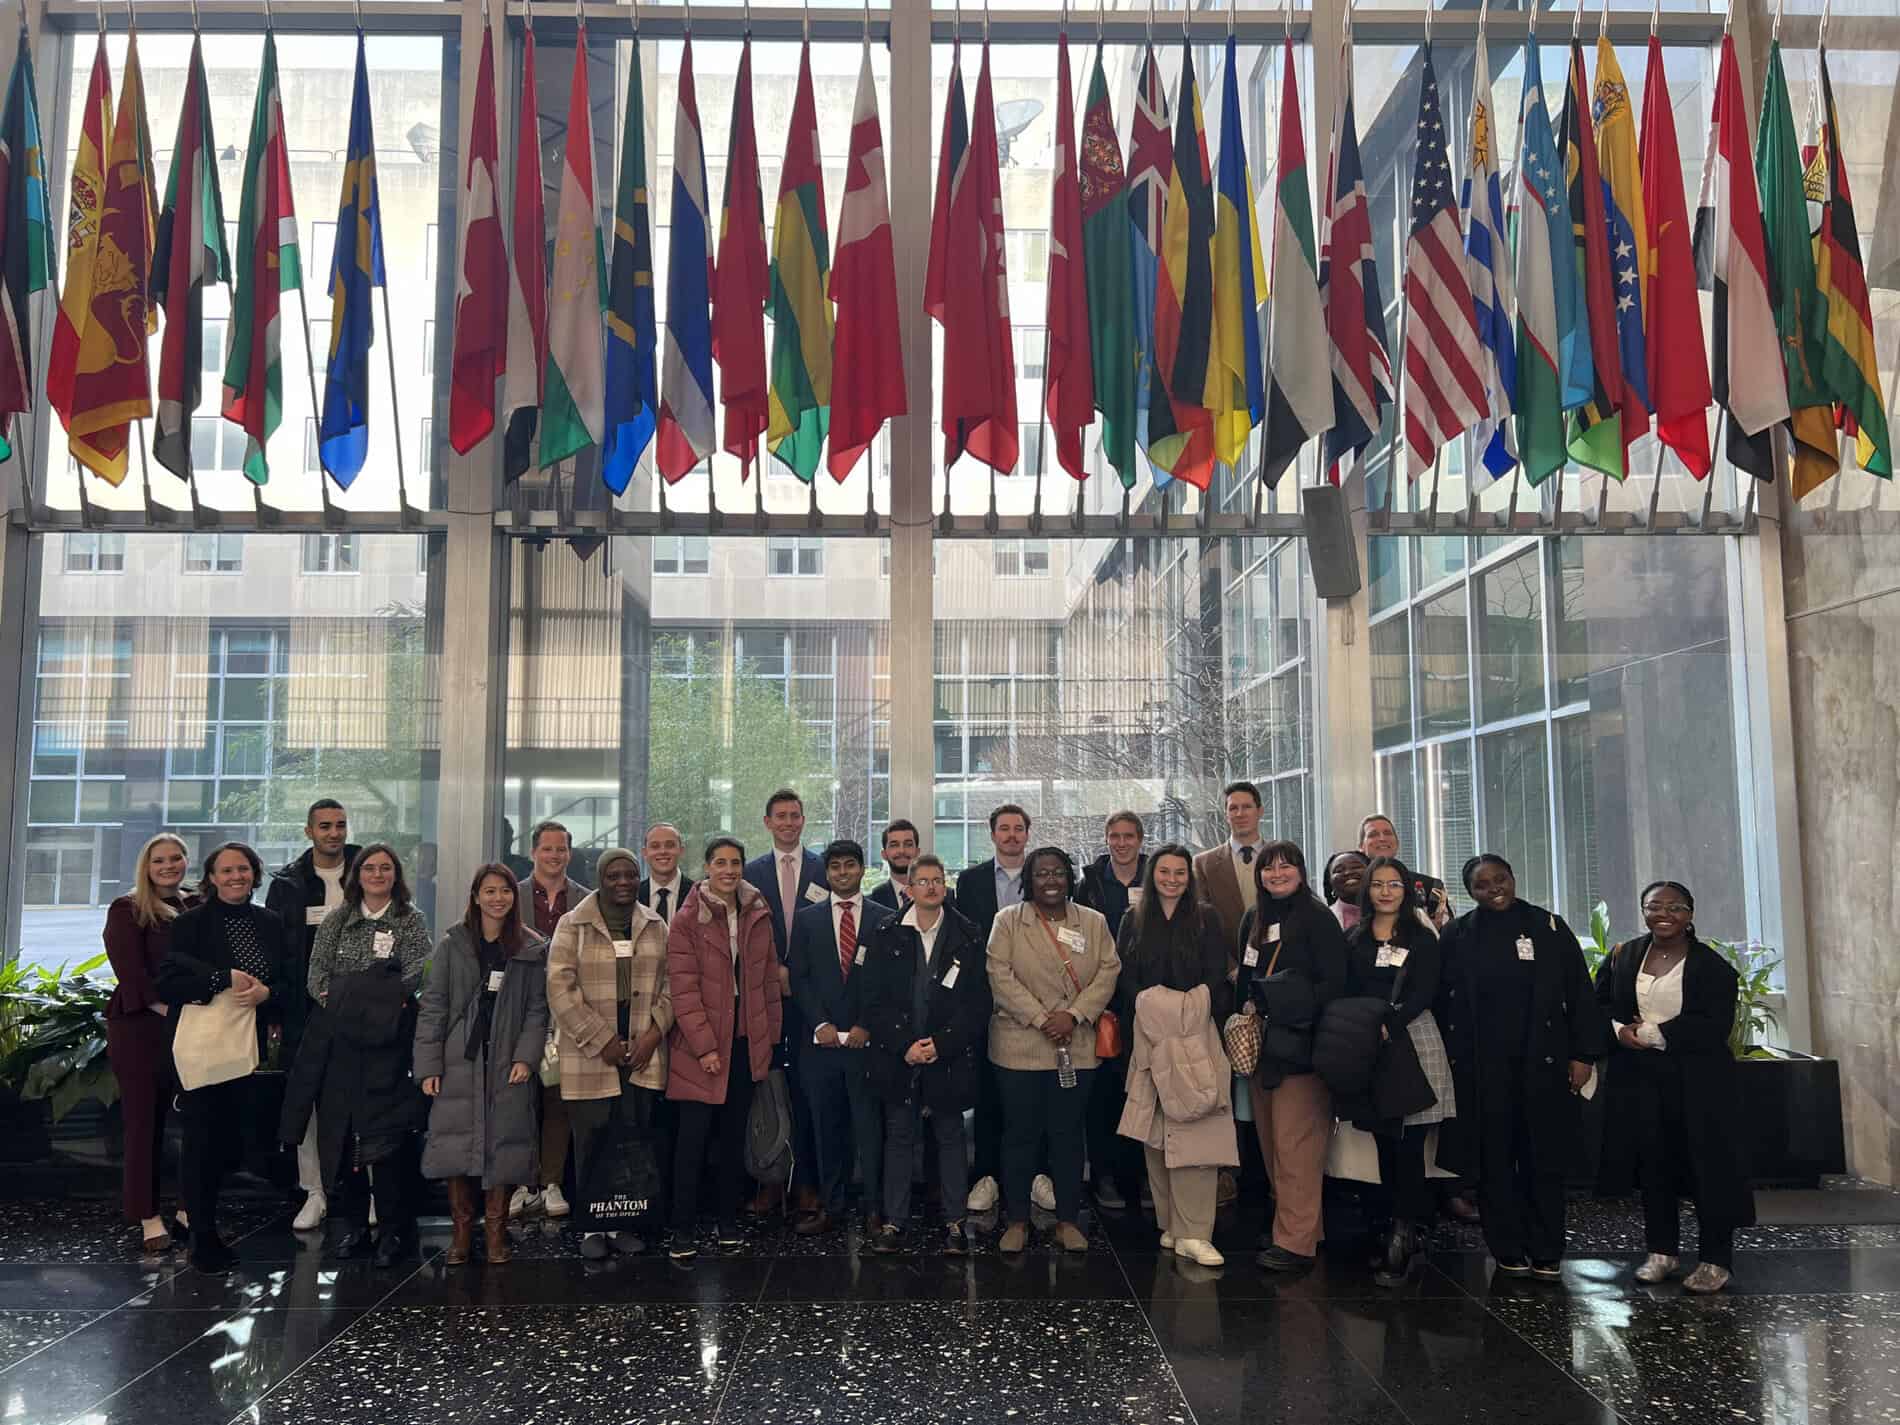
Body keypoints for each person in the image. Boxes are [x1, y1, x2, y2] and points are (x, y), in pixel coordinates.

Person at [1436, 854, 1605, 1280]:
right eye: (1482, 884)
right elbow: (1442, 1000)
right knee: (1494, 1160)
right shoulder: (1457, 934)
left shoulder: (1548, 927)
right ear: (1469, 891)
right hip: (1481, 1068)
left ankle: (1547, 1247)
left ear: (1513, 878)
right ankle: (1506, 1247)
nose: (1494, 888)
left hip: (1542, 1063)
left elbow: (1580, 994)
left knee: (1543, 1157)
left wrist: (1583, 1055)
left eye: (1501, 879)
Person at [1595, 881, 1754, 1294]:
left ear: (1691, 914)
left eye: (1676, 907)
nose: (1664, 914)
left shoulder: (1711, 966)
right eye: (1654, 906)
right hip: (1642, 1082)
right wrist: (1617, 1030)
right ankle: (1661, 1252)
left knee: (1708, 1170)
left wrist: (1651, 1033)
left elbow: (1714, 1024)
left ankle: (1716, 1260)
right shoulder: (1624, 955)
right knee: (1654, 1166)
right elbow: (1600, 1003)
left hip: (1701, 1084)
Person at [158, 842, 288, 1274]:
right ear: (211, 877)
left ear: (255, 873)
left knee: (233, 1142)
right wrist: (220, 979)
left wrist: (268, 994)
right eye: (226, 870)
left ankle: (211, 1227)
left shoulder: (270, 922)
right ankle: (202, 1235)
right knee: (201, 1143)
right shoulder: (191, 924)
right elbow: (168, 984)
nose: (236, 876)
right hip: (204, 1048)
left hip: (251, 1052)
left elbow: (290, 981)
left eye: (244, 869)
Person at [986, 846, 1121, 1254]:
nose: (1051, 880)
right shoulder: (1007, 921)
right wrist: (1043, 1018)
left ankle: (1066, 1219)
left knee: (1067, 1135)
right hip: (1019, 1045)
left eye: (1058, 873)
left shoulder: (1093, 922)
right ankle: (1017, 1220)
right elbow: (998, 972)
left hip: (1075, 1045)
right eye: (1042, 873)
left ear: (1069, 878)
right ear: (1029, 878)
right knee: (1020, 1135)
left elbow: (1109, 970)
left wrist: (1074, 1015)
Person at [415, 865, 549, 1267]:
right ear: (475, 896)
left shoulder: (530, 946)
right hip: (460, 1060)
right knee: (457, 1143)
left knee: (506, 1143)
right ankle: (460, 1232)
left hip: (508, 1060)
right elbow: (433, 1006)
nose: (497, 898)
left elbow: (537, 1010)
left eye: (504, 891)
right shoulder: (452, 945)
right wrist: (428, 1065)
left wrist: (526, 1056)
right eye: (489, 891)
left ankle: (495, 1230)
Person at [547, 847, 673, 1259]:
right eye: (613, 875)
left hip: (640, 1052)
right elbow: (559, 990)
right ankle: (592, 1228)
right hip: (591, 1053)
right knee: (592, 1140)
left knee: (632, 1138)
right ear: (600, 879)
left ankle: (624, 1223)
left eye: (629, 875)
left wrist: (654, 1035)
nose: (622, 882)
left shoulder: (655, 925)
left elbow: (674, 986)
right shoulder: (573, 924)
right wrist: (601, 1040)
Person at [1113, 844, 1235, 1267]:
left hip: (1195, 1036)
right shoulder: (1133, 918)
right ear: (1152, 875)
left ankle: (1196, 1232)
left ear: (1189, 876)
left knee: (1198, 1131)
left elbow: (1217, 977)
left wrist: (1180, 1013)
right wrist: (1155, 1010)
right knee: (1157, 1132)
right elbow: (1123, 976)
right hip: (1148, 1037)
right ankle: (1171, 1225)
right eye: (1163, 871)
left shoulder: (1206, 918)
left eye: (1179, 872)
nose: (1171, 879)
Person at [858, 854, 987, 1253]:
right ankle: (894, 1223)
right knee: (898, 1136)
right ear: (909, 888)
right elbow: (873, 1002)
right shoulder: (885, 932)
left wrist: (942, 1044)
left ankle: (954, 1223)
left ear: (945, 886)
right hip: (899, 1055)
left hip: (947, 1055)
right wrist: (905, 1046)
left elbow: (978, 1004)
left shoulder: (968, 933)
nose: (931, 887)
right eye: (923, 881)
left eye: (938, 879)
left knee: (950, 1137)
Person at [667, 837, 784, 1260]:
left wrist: (768, 1038)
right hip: (701, 1050)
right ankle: (682, 1228)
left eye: (735, 863)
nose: (729, 870)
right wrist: (704, 1047)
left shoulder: (758, 912)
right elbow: (683, 990)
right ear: (707, 867)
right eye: (721, 863)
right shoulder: (686, 920)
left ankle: (727, 1221)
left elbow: (769, 981)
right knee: (692, 1142)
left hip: (745, 1045)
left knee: (735, 1139)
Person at [1235, 841, 1349, 1271]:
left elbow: (1334, 984)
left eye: (1286, 866)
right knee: (1271, 1144)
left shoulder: (1317, 919)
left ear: (1301, 872)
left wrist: (1287, 1007)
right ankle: (1298, 1226)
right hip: (1261, 1048)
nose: (1277, 873)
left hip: (1302, 1049)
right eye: (1268, 867)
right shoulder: (1254, 917)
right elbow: (1246, 973)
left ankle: (1297, 1243)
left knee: (1297, 1146)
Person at [1343, 858, 1456, 1286]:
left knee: (1410, 1146)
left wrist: (1392, 1021)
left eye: (1394, 884)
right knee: (1384, 1143)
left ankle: (1405, 1234)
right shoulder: (1354, 937)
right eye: (1378, 884)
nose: (1386, 892)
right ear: (1367, 890)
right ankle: (1393, 1228)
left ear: (1407, 890)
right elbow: (1347, 987)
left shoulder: (1421, 937)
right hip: (1370, 1045)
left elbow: (1427, 991)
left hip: (1413, 1040)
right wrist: (1370, 1024)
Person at [788, 840, 895, 1235]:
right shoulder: (807, 919)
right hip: (821, 1046)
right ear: (827, 873)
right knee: (826, 1128)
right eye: (836, 866)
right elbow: (799, 977)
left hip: (867, 1046)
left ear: (863, 870)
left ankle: (873, 1208)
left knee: (869, 1130)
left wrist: (867, 1024)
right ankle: (832, 1207)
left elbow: (890, 983)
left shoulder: (885, 918)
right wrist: (819, 1023)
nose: (843, 872)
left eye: (851, 865)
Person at [263, 798, 360, 1233]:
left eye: (340, 825)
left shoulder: (366, 869)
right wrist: (278, 1010)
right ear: (309, 832)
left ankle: (367, 1192)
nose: (334, 833)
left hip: (362, 1009)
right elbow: (277, 952)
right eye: (325, 826)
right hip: (307, 1010)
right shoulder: (289, 884)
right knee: (308, 1103)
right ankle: (314, 1192)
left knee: (364, 1099)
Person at [103, 833, 197, 1253]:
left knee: (198, 1123)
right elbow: (131, 973)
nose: (169, 865)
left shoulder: (196, 904)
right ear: (146, 865)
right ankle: (148, 1217)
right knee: (144, 1126)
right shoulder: (127, 909)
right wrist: (167, 1010)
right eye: (159, 859)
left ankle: (188, 1209)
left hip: (193, 1030)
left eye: (176, 858)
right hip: (142, 1029)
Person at [742, 789, 824, 1217]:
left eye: (795, 815)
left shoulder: (822, 868)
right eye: (781, 816)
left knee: (808, 1091)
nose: (789, 822)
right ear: (767, 822)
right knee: (767, 1091)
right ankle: (770, 1178)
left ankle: (807, 1181)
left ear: (803, 820)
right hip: (765, 995)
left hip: (811, 999)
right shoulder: (750, 873)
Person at [955, 802, 1032, 1215]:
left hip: (1037, 1000)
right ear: (992, 835)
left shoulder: (1045, 875)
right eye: (1004, 829)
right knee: (986, 1090)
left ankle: (1035, 1177)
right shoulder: (969, 881)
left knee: (1031, 1095)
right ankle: (985, 1176)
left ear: (1027, 834)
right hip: (985, 999)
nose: (1011, 835)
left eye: (1018, 829)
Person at [516, 819, 590, 1221]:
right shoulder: (512, 895)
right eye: (547, 848)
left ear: (570, 853)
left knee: (559, 1093)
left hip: (568, 1008)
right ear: (533, 853)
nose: (555, 855)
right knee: (520, 1095)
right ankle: (522, 1183)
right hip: (522, 1005)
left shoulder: (584, 899)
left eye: (561, 849)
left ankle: (551, 1181)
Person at [1077, 811, 1150, 1212]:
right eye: (1114, 836)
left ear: (1140, 839)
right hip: (1102, 1002)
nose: (1121, 843)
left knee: (1141, 1091)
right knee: (1103, 1094)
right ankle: (1104, 1176)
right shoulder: (1089, 884)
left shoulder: (1156, 878)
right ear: (1106, 840)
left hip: (1144, 1000)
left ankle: (1139, 1176)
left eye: (1128, 836)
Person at [307, 845, 432, 1007]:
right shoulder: (336, 919)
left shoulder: (413, 920)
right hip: (339, 1018)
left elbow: (414, 972)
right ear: (358, 876)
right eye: (369, 868)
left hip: (391, 1019)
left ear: (396, 876)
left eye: (385, 868)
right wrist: (343, 1002)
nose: (377, 874)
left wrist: (377, 1001)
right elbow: (317, 972)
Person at [1191, 782, 1268, 952]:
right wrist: (1229, 968)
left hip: (1277, 964)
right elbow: (1200, 923)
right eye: (1233, 808)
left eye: (1247, 807)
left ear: (1260, 812)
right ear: (1226, 815)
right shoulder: (1203, 864)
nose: (1240, 814)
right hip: (1225, 968)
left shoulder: (1280, 859)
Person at [1359, 816, 1451, 930]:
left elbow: (1446, 933)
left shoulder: (1431, 886)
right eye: (1373, 834)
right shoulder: (1353, 886)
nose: (1382, 838)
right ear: (1361, 846)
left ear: (1397, 843)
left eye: (1387, 833)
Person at [637, 823, 694, 922]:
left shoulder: (698, 895)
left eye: (670, 845)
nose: (663, 851)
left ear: (681, 850)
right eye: (655, 846)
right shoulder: (634, 896)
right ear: (644, 853)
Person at [868, 820, 921, 914]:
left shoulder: (941, 895)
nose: (901, 850)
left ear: (917, 852)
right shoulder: (873, 899)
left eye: (908, 844)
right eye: (894, 845)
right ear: (884, 854)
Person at [1321, 851, 1369, 934]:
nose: (1348, 872)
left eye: (1356, 867)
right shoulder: (1320, 918)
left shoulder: (1392, 913)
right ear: (1330, 883)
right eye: (1339, 870)